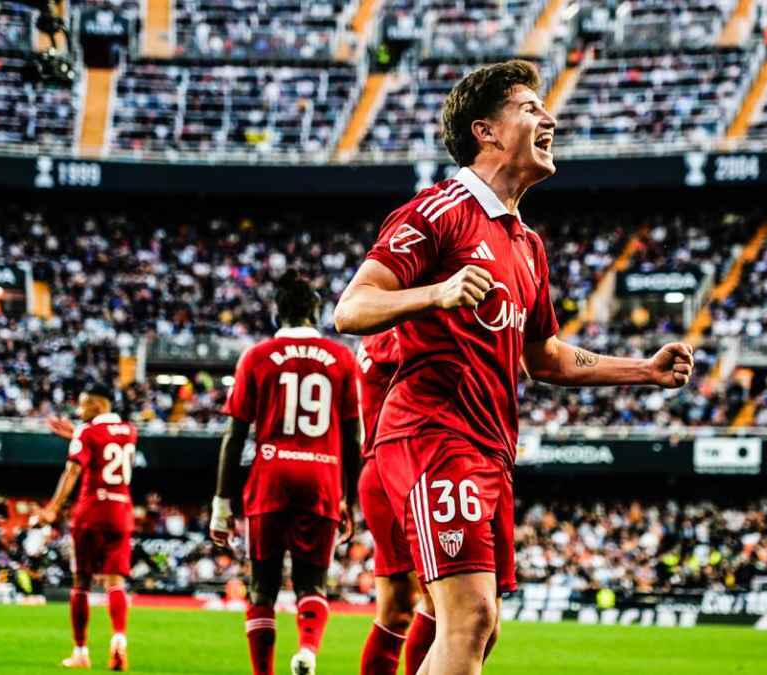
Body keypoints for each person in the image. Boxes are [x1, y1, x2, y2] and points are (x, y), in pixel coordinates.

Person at [333, 59, 694, 675]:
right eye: (530, 108)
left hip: (492, 448)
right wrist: (436, 293)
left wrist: (643, 369)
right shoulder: (438, 211)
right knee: (468, 618)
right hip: (432, 433)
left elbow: (545, 358)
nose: (549, 119)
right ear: (487, 131)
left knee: (481, 628)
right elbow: (352, 308)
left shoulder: (527, 245)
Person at [210, 272, 363, 675]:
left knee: (262, 588)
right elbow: (354, 438)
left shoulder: (257, 356)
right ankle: (308, 650)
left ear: (277, 314)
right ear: (316, 313)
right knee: (313, 585)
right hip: (322, 478)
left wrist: (221, 504)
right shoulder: (342, 358)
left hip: (271, 479)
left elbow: (234, 436)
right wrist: (350, 499)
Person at [38, 383, 137, 671]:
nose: (79, 410)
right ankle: (119, 639)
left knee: (81, 581)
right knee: (115, 582)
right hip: (121, 512)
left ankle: (80, 651)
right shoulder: (130, 430)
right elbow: (105, 444)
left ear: (98, 404)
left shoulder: (87, 432)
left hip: (91, 512)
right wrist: (77, 434)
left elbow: (72, 471)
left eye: (83, 404)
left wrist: (53, 507)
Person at [356, 329, 437, 675]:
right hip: (399, 468)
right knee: (444, 605)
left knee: (398, 610)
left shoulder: (376, 327)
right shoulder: (391, 332)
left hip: (390, 470)